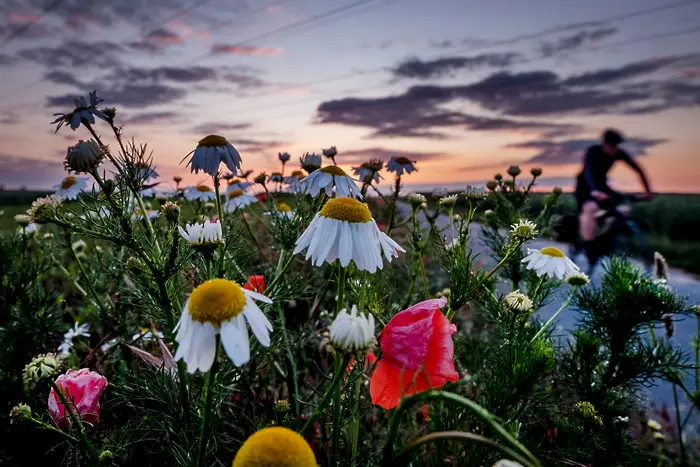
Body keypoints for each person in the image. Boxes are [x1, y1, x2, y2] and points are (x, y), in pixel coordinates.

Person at [575, 129, 652, 257]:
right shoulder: (593, 151)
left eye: (616, 146)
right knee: (590, 207)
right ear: (605, 143)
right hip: (585, 185)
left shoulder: (619, 153)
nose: (614, 149)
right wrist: (594, 191)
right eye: (612, 145)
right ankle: (588, 244)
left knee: (621, 208)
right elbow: (587, 171)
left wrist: (647, 191)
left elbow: (639, 170)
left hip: (602, 184)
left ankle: (606, 239)